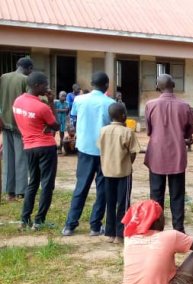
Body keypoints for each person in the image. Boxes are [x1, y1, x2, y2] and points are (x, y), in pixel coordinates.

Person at [62, 72, 114, 236]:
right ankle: (95, 226)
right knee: (102, 189)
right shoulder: (110, 103)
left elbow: (73, 119)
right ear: (106, 85)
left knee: (81, 186)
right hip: (104, 151)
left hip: (84, 148)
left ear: (92, 84)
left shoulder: (79, 100)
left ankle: (70, 225)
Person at [144, 74, 193, 233]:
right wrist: (182, 136)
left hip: (157, 154)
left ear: (158, 86)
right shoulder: (184, 106)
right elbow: (189, 131)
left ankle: (156, 228)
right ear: (173, 85)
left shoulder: (150, 105)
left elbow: (149, 130)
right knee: (177, 194)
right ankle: (178, 228)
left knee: (156, 194)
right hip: (177, 154)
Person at [13, 72, 59, 231]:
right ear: (38, 85)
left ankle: (24, 219)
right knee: (47, 184)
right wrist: (52, 102)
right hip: (46, 147)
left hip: (29, 147)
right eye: (45, 85)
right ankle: (39, 221)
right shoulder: (42, 107)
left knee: (33, 182)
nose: (47, 88)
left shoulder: (17, 101)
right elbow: (56, 125)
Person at [98, 103, 140, 243]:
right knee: (123, 203)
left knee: (110, 202)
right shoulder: (128, 132)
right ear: (123, 116)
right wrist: (128, 163)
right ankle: (120, 234)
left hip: (107, 172)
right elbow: (133, 152)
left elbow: (101, 148)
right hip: (123, 173)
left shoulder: (103, 130)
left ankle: (110, 233)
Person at [0, 57, 33, 202]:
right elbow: (30, 100)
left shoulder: (3, 77)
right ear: (29, 68)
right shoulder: (25, 80)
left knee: (8, 157)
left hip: (4, 121)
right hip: (19, 123)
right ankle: (21, 190)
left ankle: (9, 189)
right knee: (21, 158)